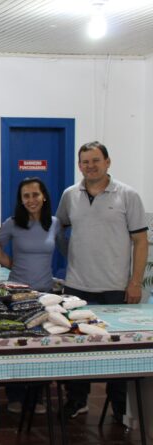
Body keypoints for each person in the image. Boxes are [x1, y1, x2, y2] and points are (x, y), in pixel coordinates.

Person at [56, 141, 148, 421]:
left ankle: (119, 406)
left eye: (95, 160)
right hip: (77, 287)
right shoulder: (70, 195)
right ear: (79, 165)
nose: (90, 166)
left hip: (116, 288)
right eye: (84, 161)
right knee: (76, 350)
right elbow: (61, 231)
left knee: (118, 350)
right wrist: (71, 257)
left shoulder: (127, 195)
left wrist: (135, 283)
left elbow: (141, 240)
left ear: (108, 162)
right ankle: (77, 400)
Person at [0, 177, 61, 415]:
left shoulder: (54, 223)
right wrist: (10, 265)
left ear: (43, 196)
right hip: (17, 294)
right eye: (26, 196)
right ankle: (14, 395)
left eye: (35, 194)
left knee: (42, 346)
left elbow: (65, 251)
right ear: (21, 200)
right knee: (17, 344)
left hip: (45, 294)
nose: (31, 200)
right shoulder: (12, 224)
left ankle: (38, 396)